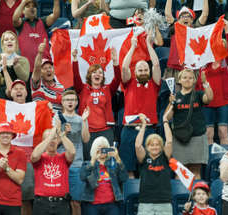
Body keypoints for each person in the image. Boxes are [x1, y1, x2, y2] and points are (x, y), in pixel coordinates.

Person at [120, 34, 161, 177]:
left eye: (145, 70)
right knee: (129, 169)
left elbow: (156, 64)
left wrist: (149, 44)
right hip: (130, 130)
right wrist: (132, 47)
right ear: (135, 72)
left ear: (149, 72)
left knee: (148, 168)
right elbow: (124, 66)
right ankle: (132, 197)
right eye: (140, 70)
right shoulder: (128, 84)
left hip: (149, 130)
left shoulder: (154, 84)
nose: (143, 72)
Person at [31, 121, 76, 215]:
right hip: (41, 204)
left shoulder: (62, 158)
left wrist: (61, 135)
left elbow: (72, 152)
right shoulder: (40, 158)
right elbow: (34, 155)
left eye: (54, 139)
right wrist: (51, 136)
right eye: (49, 138)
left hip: (61, 204)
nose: (52, 141)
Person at [72, 47, 120, 160]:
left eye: (100, 72)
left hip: (106, 131)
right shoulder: (83, 88)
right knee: (89, 160)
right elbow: (75, 77)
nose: (97, 74)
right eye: (94, 72)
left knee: (106, 158)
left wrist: (115, 62)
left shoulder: (107, 89)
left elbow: (118, 79)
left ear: (103, 76)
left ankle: (106, 177)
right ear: (89, 75)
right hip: (87, 131)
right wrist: (74, 59)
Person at [164, 69, 213, 179]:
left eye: (190, 78)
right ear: (179, 80)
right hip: (179, 138)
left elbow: (209, 98)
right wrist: (171, 102)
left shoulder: (199, 94)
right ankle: (182, 195)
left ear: (194, 80)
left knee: (196, 171)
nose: (187, 80)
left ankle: (195, 195)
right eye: (185, 77)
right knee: (180, 172)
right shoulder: (175, 97)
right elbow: (167, 117)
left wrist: (205, 83)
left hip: (197, 136)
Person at [80, 136, 128, 215]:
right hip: (92, 206)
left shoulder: (113, 164)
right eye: (99, 148)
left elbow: (124, 178)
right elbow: (83, 177)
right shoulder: (88, 164)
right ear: (94, 149)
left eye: (104, 148)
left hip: (111, 206)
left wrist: (118, 159)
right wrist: (93, 160)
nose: (102, 151)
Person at [135, 111, 173, 215]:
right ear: (148, 147)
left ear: (161, 147)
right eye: (152, 144)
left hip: (164, 203)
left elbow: (169, 141)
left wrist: (165, 122)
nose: (155, 147)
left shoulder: (165, 158)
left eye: (157, 144)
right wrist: (144, 125)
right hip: (146, 204)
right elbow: (137, 145)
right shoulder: (144, 158)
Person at [164, 0, 210, 92]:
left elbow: (204, 15)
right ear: (178, 20)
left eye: (188, 16)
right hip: (175, 69)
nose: (185, 17)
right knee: (175, 97)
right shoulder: (175, 27)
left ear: (192, 20)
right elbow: (167, 14)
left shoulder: (195, 29)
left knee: (191, 97)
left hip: (191, 68)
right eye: (182, 16)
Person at [196, 20, 228, 145]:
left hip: (224, 100)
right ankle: (210, 162)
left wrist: (227, 30)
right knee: (208, 133)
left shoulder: (226, 61)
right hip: (207, 100)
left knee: (223, 131)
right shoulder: (202, 63)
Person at [58, 90, 90, 215]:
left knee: (76, 202)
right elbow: (53, 142)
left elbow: (85, 139)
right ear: (62, 103)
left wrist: (84, 121)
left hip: (76, 165)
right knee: (59, 202)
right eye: (67, 100)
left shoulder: (80, 118)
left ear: (76, 102)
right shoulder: (57, 118)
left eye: (73, 99)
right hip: (60, 164)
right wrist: (63, 133)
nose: (70, 102)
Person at [12, 0, 60, 71]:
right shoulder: (21, 23)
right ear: (23, 11)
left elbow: (55, 15)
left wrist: (56, 0)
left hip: (43, 67)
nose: (31, 8)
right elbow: (15, 18)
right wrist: (23, 2)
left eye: (34, 6)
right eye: (28, 6)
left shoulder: (43, 21)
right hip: (26, 68)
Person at [32, 41, 65, 112]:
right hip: (41, 119)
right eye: (44, 68)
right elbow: (37, 68)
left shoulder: (61, 87)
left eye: (50, 67)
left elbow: (64, 108)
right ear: (40, 73)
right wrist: (40, 53)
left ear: (54, 70)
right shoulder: (37, 84)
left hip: (57, 121)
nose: (48, 70)